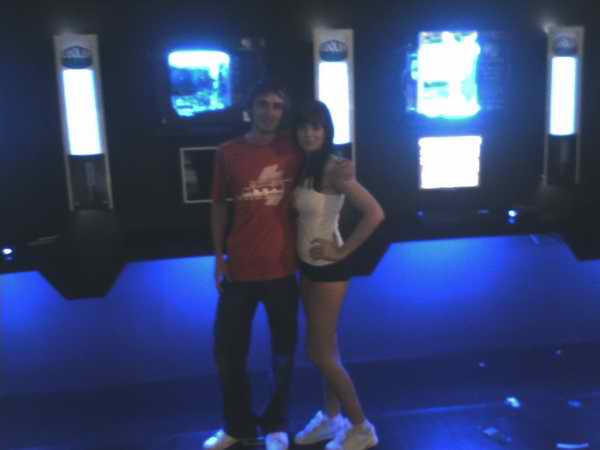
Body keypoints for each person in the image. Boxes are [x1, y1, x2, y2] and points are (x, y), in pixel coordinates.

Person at [204, 80, 303, 450]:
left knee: (283, 355)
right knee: (228, 355)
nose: (270, 112)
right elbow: (218, 204)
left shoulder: (295, 149)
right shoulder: (227, 152)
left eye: (277, 106)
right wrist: (218, 255)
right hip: (239, 269)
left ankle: (276, 424)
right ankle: (238, 427)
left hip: (283, 270)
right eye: (263, 104)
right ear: (251, 108)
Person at [292, 100, 384, 450]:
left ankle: (361, 426)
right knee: (328, 349)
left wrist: (342, 251)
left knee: (320, 354)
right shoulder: (303, 165)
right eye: (303, 127)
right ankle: (332, 419)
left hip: (330, 270)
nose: (309, 133)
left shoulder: (335, 168)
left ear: (326, 131)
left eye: (316, 127)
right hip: (308, 267)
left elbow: (375, 213)